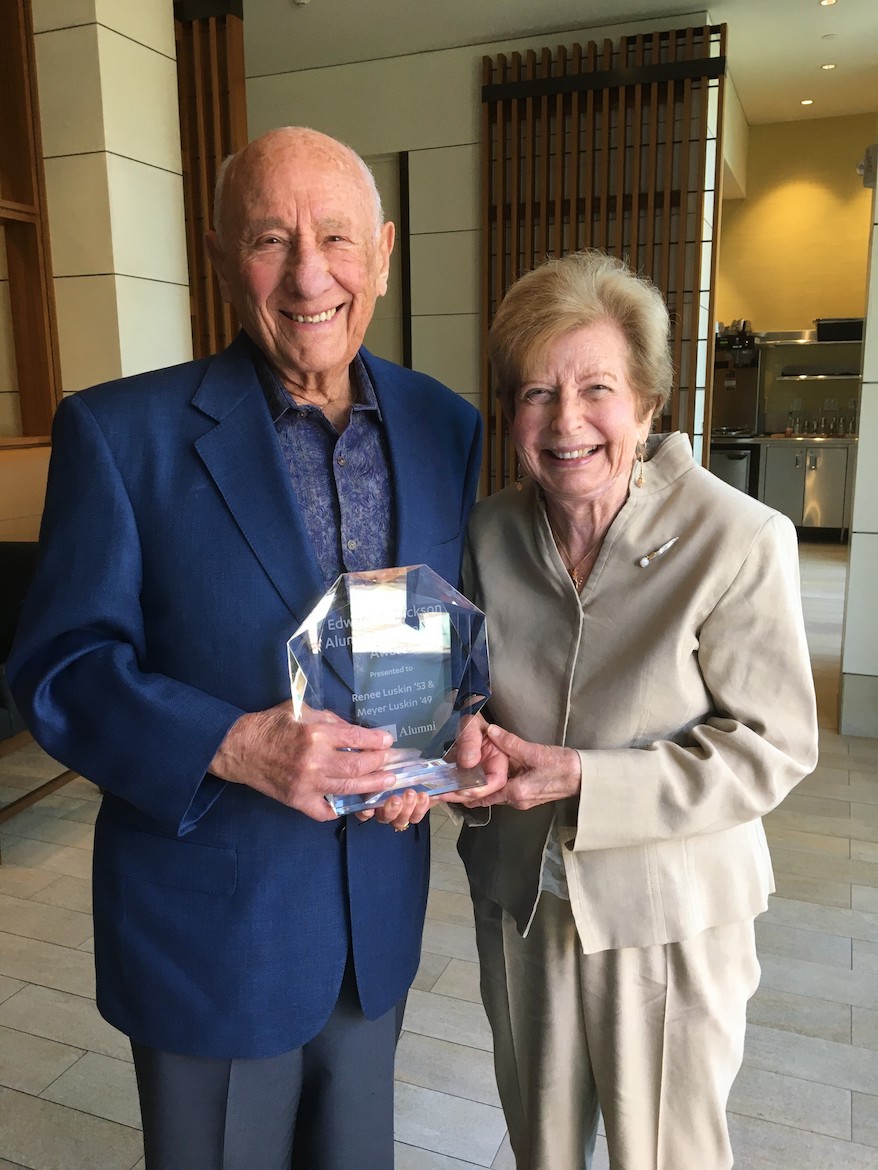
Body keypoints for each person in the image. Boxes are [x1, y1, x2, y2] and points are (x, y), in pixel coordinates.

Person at [7, 127, 482, 1170]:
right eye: (272, 239)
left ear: (385, 252)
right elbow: (59, 668)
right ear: (222, 255)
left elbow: (444, 622)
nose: (310, 274)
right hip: (208, 935)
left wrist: (440, 740)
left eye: (336, 238)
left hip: (374, 927)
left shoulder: (444, 426)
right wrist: (230, 743)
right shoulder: (118, 434)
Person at [451, 250, 818, 1170]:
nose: (566, 421)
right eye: (536, 393)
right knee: (541, 1147)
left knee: (667, 1155)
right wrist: (453, 745)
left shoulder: (736, 538)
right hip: (524, 902)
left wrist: (585, 778)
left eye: (597, 389)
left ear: (649, 402)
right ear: (509, 413)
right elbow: (461, 690)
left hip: (671, 914)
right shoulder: (488, 533)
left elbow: (773, 745)